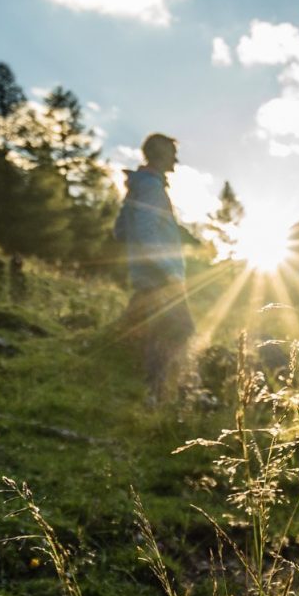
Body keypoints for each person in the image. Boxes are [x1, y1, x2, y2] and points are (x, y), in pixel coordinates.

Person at [114, 133, 195, 399]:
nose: (176, 159)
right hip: (161, 275)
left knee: (151, 328)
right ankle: (158, 394)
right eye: (173, 153)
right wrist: (167, 268)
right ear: (161, 155)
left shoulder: (138, 187)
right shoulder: (150, 187)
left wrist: (178, 233)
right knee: (179, 328)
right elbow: (146, 230)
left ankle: (151, 389)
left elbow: (121, 230)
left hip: (146, 275)